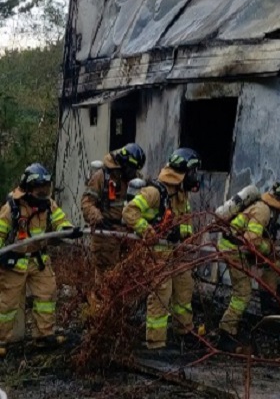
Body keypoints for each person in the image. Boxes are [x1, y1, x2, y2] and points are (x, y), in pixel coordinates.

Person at [122, 147, 201, 350]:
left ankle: (184, 331)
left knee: (185, 286)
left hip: (176, 252)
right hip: (156, 252)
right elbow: (129, 212)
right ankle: (156, 342)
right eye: (193, 172)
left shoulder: (181, 195)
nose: (195, 176)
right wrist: (149, 232)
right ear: (182, 172)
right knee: (161, 292)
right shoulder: (155, 192)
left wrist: (187, 238)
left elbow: (184, 223)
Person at [0, 163, 82, 355]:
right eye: (40, 189)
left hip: (38, 260)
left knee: (47, 295)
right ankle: (1, 340)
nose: (44, 193)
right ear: (28, 189)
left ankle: (43, 336)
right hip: (14, 263)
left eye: (46, 189)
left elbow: (61, 221)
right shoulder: (11, 208)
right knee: (7, 304)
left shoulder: (48, 204)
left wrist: (68, 230)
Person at [216, 175, 280, 352]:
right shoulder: (263, 211)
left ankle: (268, 301)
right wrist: (271, 248)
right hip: (234, 250)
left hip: (241, 247)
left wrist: (274, 249)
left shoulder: (272, 210)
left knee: (275, 264)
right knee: (243, 293)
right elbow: (252, 241)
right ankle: (226, 334)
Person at [81, 143, 147, 274]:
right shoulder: (102, 177)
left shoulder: (136, 180)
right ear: (123, 163)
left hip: (129, 237)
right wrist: (98, 218)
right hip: (105, 237)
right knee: (105, 282)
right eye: (131, 169)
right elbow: (87, 203)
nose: (133, 173)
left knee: (127, 280)